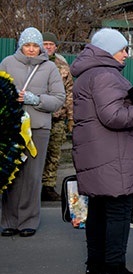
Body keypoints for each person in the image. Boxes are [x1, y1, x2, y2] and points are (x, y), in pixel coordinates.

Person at [70, 29, 133, 274]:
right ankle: (115, 271)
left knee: (99, 210)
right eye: (123, 49)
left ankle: (96, 265)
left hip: (98, 152)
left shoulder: (88, 73)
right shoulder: (105, 75)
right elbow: (114, 116)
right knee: (118, 212)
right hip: (114, 154)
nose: (126, 54)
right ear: (108, 49)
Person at [0, 27, 66, 237]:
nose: (31, 49)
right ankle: (9, 220)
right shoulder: (7, 63)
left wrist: (36, 99)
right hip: (11, 129)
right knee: (10, 174)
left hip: (38, 129)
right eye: (27, 45)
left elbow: (59, 98)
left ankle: (28, 221)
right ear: (21, 45)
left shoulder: (50, 68)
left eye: (35, 45)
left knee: (32, 176)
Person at [40, 32, 73, 202]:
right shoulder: (35, 64)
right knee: (36, 153)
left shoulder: (63, 66)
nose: (48, 47)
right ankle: (33, 185)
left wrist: (71, 118)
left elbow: (69, 93)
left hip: (58, 118)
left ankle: (48, 186)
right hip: (38, 116)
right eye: (45, 44)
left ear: (56, 47)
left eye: (51, 44)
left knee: (54, 154)